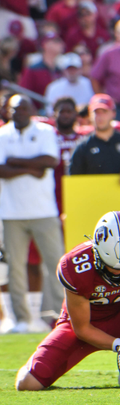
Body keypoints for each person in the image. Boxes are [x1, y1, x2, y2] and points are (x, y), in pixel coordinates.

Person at [15, 210, 120, 390]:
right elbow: (82, 329)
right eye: (112, 267)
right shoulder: (76, 265)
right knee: (27, 383)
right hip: (83, 325)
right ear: (97, 251)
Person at [0, 94, 65, 333]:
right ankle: (21, 319)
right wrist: (31, 166)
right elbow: (1, 170)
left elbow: (50, 161)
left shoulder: (45, 131)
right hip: (11, 212)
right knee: (15, 267)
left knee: (56, 264)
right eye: (14, 108)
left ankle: (61, 315)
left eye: (23, 108)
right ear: (8, 111)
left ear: (31, 110)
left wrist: (15, 161)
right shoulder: (3, 134)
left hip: (44, 210)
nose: (19, 112)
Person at [69, 93, 120, 179]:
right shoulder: (82, 147)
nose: (100, 117)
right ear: (90, 115)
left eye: (104, 112)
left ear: (113, 113)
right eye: (96, 112)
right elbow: (74, 182)